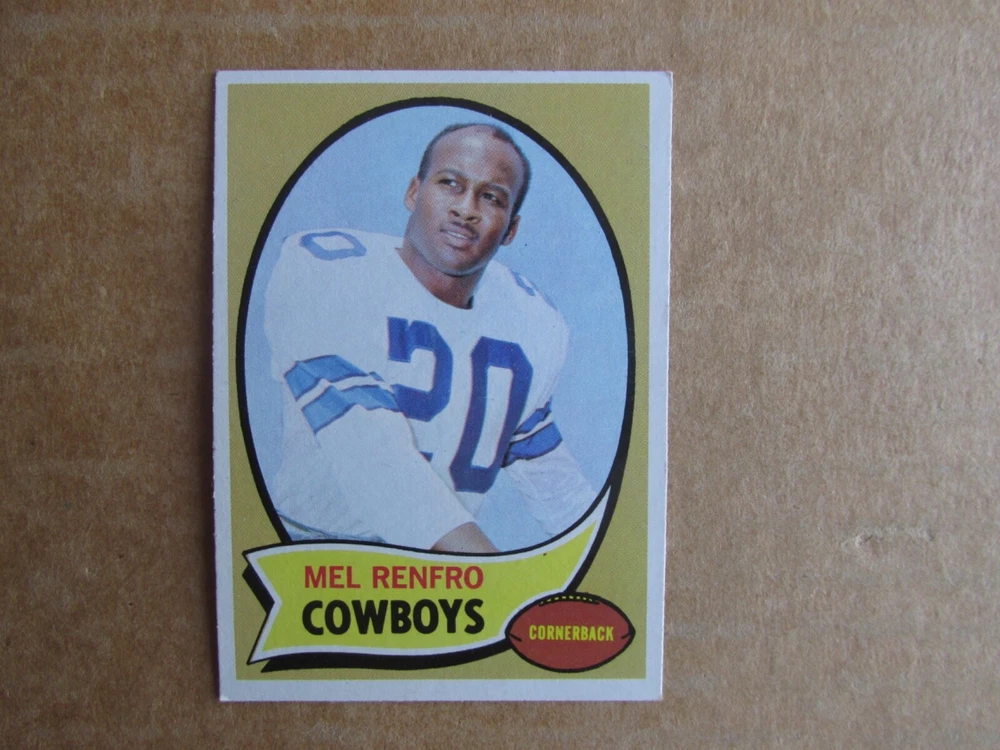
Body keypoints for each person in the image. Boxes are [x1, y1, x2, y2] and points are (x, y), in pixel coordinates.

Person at [264, 123, 595, 553]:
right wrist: (494, 580)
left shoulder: (529, 318)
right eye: (450, 183)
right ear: (413, 192)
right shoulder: (325, 273)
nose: (466, 209)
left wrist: (610, 561)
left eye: (491, 197)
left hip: (443, 574)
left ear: (511, 230)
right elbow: (379, 469)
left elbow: (560, 492)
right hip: (318, 558)